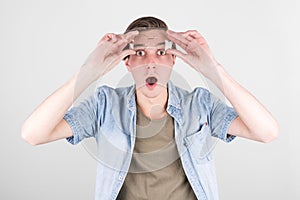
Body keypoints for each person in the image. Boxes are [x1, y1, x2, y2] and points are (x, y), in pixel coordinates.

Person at [21, 16, 279, 200]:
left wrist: (213, 70)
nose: (151, 63)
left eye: (161, 52)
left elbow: (267, 132)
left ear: (174, 59)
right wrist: (89, 72)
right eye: (141, 53)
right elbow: (33, 134)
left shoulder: (199, 104)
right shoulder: (105, 104)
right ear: (127, 62)